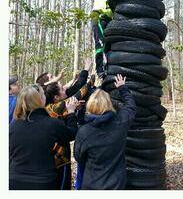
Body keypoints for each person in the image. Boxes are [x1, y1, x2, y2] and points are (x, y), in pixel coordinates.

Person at [74, 74, 136, 190]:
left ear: (90, 105)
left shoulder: (84, 131)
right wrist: (123, 88)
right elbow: (130, 107)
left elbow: (79, 157)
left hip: (92, 184)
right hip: (116, 185)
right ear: (109, 104)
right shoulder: (120, 122)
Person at [9, 84, 78, 189]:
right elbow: (72, 133)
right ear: (39, 100)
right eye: (43, 95)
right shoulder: (52, 124)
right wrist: (71, 113)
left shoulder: (13, 125)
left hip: (15, 180)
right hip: (43, 182)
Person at [45, 57, 92, 189]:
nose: (64, 89)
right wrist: (89, 76)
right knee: (62, 185)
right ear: (56, 97)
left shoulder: (47, 105)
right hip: (60, 157)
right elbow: (81, 92)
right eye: (61, 89)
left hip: (49, 156)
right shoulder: (60, 106)